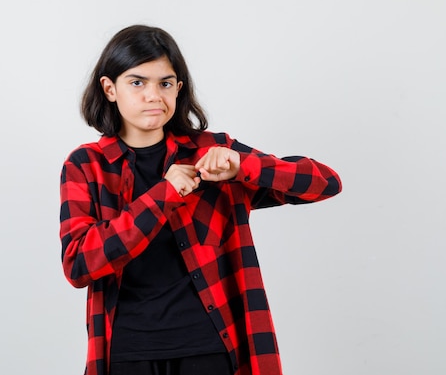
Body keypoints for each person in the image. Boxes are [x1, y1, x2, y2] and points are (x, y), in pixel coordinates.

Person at [59, 25, 342, 375]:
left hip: (209, 349)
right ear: (109, 89)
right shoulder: (87, 165)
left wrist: (242, 165)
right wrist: (165, 194)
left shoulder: (211, 153)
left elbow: (325, 183)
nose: (153, 95)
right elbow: (78, 264)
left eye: (165, 83)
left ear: (178, 89)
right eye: (137, 82)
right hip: (127, 352)